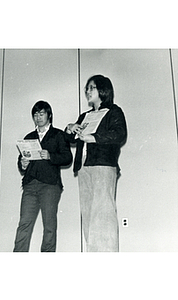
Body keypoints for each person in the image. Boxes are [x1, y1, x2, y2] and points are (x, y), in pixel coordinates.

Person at [65, 75, 127, 252]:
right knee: (89, 215)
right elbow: (70, 139)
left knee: (104, 213)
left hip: (103, 165)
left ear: (103, 90)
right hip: (84, 167)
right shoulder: (85, 116)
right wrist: (70, 128)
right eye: (86, 88)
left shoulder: (114, 111)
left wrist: (93, 138)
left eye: (91, 87)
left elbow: (119, 134)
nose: (87, 91)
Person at [13, 100, 72, 252]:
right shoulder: (29, 136)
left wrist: (50, 156)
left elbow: (67, 158)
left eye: (41, 113)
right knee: (24, 223)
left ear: (49, 115)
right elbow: (21, 163)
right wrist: (23, 164)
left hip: (50, 184)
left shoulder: (58, 134)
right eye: (35, 114)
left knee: (49, 225)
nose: (38, 117)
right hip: (30, 184)